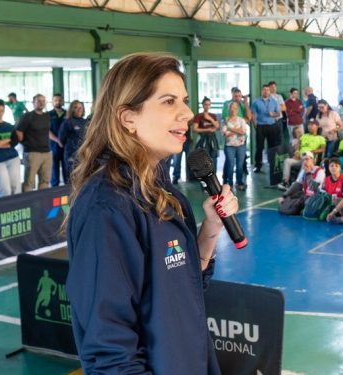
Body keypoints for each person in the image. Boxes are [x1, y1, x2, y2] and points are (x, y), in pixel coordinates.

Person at [65, 53, 237, 374]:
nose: (186, 113)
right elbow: (110, 351)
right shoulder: (108, 206)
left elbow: (186, 284)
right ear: (128, 117)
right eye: (169, 101)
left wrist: (211, 229)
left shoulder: (166, 194)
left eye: (184, 101)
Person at [16, 94, 52, 192]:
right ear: (33, 103)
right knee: (29, 182)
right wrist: (26, 143)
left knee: (45, 181)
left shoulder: (47, 116)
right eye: (38, 101)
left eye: (43, 101)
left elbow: (47, 132)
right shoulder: (27, 117)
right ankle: (28, 206)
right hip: (32, 153)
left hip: (47, 153)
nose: (41, 103)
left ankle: (42, 205)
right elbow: (19, 132)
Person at [251, 84, 281, 173]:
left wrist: (273, 114)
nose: (266, 91)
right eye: (264, 90)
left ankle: (272, 164)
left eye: (267, 90)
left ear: (269, 91)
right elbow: (253, 114)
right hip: (260, 126)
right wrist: (255, 124)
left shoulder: (274, 101)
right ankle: (258, 166)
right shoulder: (256, 102)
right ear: (261, 91)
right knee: (259, 147)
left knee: (272, 146)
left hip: (272, 126)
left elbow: (278, 113)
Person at [57, 100, 88, 184]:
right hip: (71, 156)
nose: (79, 109)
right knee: (71, 180)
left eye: (81, 107)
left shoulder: (86, 122)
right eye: (76, 107)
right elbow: (60, 140)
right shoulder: (68, 122)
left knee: (83, 180)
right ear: (72, 109)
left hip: (84, 156)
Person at [221, 101, 249, 191]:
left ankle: (239, 182)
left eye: (235, 108)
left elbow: (243, 132)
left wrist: (230, 129)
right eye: (232, 108)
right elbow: (225, 134)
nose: (233, 110)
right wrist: (237, 130)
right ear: (229, 109)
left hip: (241, 145)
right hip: (229, 145)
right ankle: (229, 183)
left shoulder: (242, 120)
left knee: (240, 165)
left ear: (237, 110)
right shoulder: (224, 120)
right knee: (230, 164)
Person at [191, 97, 220, 179]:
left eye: (209, 105)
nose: (207, 106)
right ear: (203, 105)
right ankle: (205, 179)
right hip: (203, 139)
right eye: (206, 104)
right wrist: (208, 129)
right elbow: (195, 128)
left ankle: (214, 177)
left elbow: (217, 126)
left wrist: (210, 119)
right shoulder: (199, 116)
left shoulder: (213, 116)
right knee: (204, 160)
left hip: (212, 139)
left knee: (214, 158)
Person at [49, 93, 67, 187]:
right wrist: (57, 140)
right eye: (55, 100)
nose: (58, 102)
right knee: (54, 171)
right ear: (52, 102)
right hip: (53, 145)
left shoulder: (68, 113)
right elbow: (46, 131)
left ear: (62, 101)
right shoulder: (48, 115)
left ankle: (67, 191)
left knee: (67, 170)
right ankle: (54, 191)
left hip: (66, 146)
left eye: (59, 100)